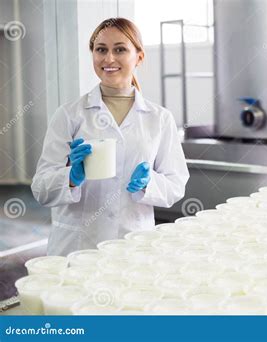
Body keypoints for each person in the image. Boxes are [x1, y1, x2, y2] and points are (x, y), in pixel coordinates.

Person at [31, 18, 189, 256]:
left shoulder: (159, 118)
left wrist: (149, 183)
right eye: (101, 49)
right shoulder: (69, 115)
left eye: (120, 49)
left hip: (133, 244)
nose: (109, 59)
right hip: (77, 247)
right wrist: (70, 178)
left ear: (139, 57)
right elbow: (41, 188)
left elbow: (176, 184)